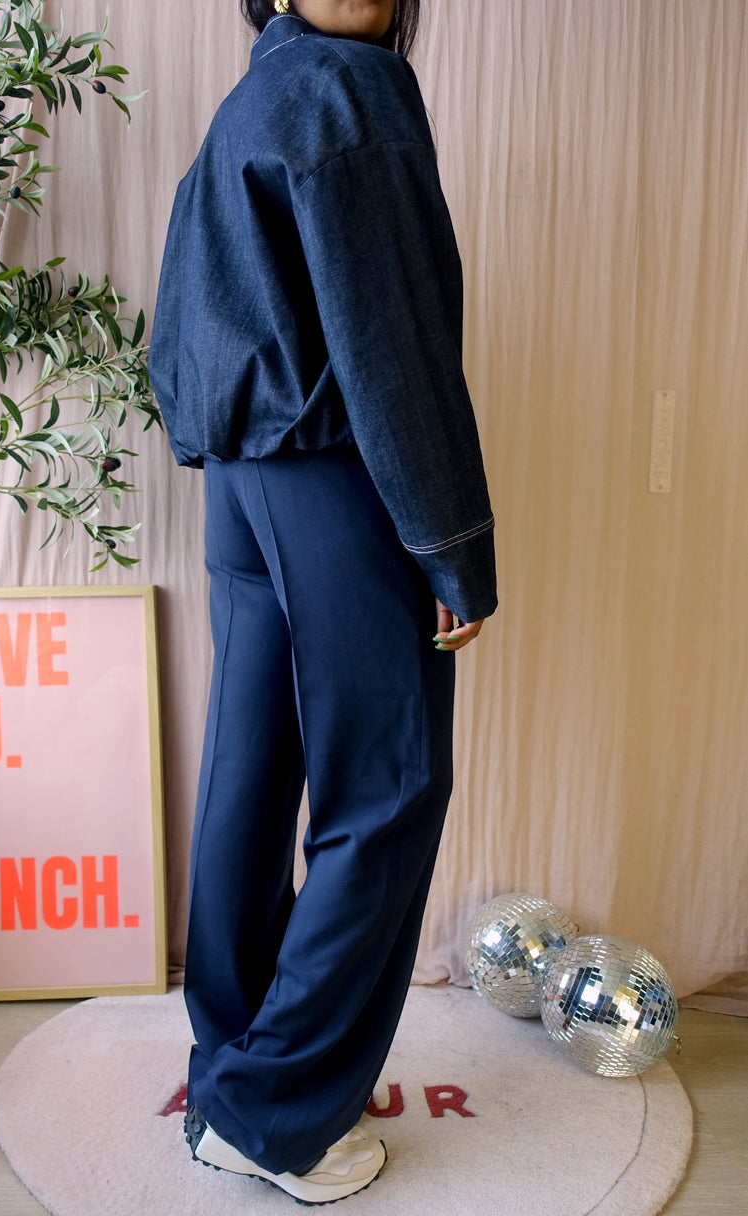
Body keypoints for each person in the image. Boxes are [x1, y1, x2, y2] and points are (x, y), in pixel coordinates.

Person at [148, 0, 496, 1204]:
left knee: (250, 769)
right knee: (390, 782)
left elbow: (181, 331)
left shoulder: (251, 97)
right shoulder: (350, 85)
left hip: (242, 477)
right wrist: (451, 544)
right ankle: (273, 1111)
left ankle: (230, 1070)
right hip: (336, 468)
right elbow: (391, 343)